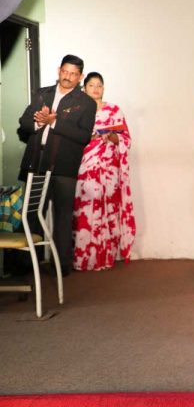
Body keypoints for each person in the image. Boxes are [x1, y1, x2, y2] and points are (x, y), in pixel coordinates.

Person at [17, 54, 97, 276]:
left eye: (73, 74)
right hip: (36, 162)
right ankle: (25, 265)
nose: (68, 77)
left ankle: (61, 265)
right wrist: (38, 121)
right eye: (65, 72)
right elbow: (23, 122)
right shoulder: (42, 94)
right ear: (59, 70)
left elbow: (84, 136)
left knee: (63, 216)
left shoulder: (86, 103)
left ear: (80, 77)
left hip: (64, 166)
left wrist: (54, 122)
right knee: (31, 213)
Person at [72, 72, 136, 271]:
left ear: (104, 88)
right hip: (85, 166)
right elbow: (71, 138)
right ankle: (84, 258)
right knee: (85, 210)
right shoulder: (78, 111)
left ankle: (106, 257)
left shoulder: (114, 111)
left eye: (99, 85)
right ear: (84, 89)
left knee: (109, 208)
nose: (96, 88)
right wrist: (90, 137)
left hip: (109, 169)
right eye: (92, 85)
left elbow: (126, 140)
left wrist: (111, 136)